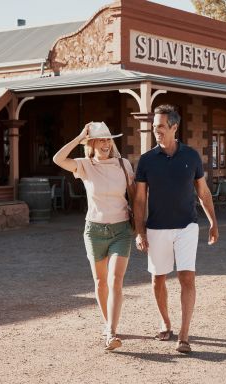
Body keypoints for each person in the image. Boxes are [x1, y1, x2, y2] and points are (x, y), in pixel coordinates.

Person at [134, 104, 219, 354]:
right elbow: (139, 200)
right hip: (157, 227)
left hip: (187, 226)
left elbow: (202, 192)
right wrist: (140, 231)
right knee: (157, 279)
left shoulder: (191, 156)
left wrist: (213, 221)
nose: (156, 131)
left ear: (174, 127)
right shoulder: (147, 160)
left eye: (160, 126)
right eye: (154, 127)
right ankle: (165, 321)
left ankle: (184, 333)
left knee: (187, 277)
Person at [53, 121, 134, 351]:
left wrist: (140, 219)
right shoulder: (84, 165)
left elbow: (136, 193)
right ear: (92, 143)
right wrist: (79, 137)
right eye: (101, 139)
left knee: (115, 280)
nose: (106, 143)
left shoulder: (123, 164)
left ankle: (111, 332)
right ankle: (108, 322)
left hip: (121, 230)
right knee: (100, 282)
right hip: (95, 231)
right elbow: (58, 159)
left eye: (109, 139)